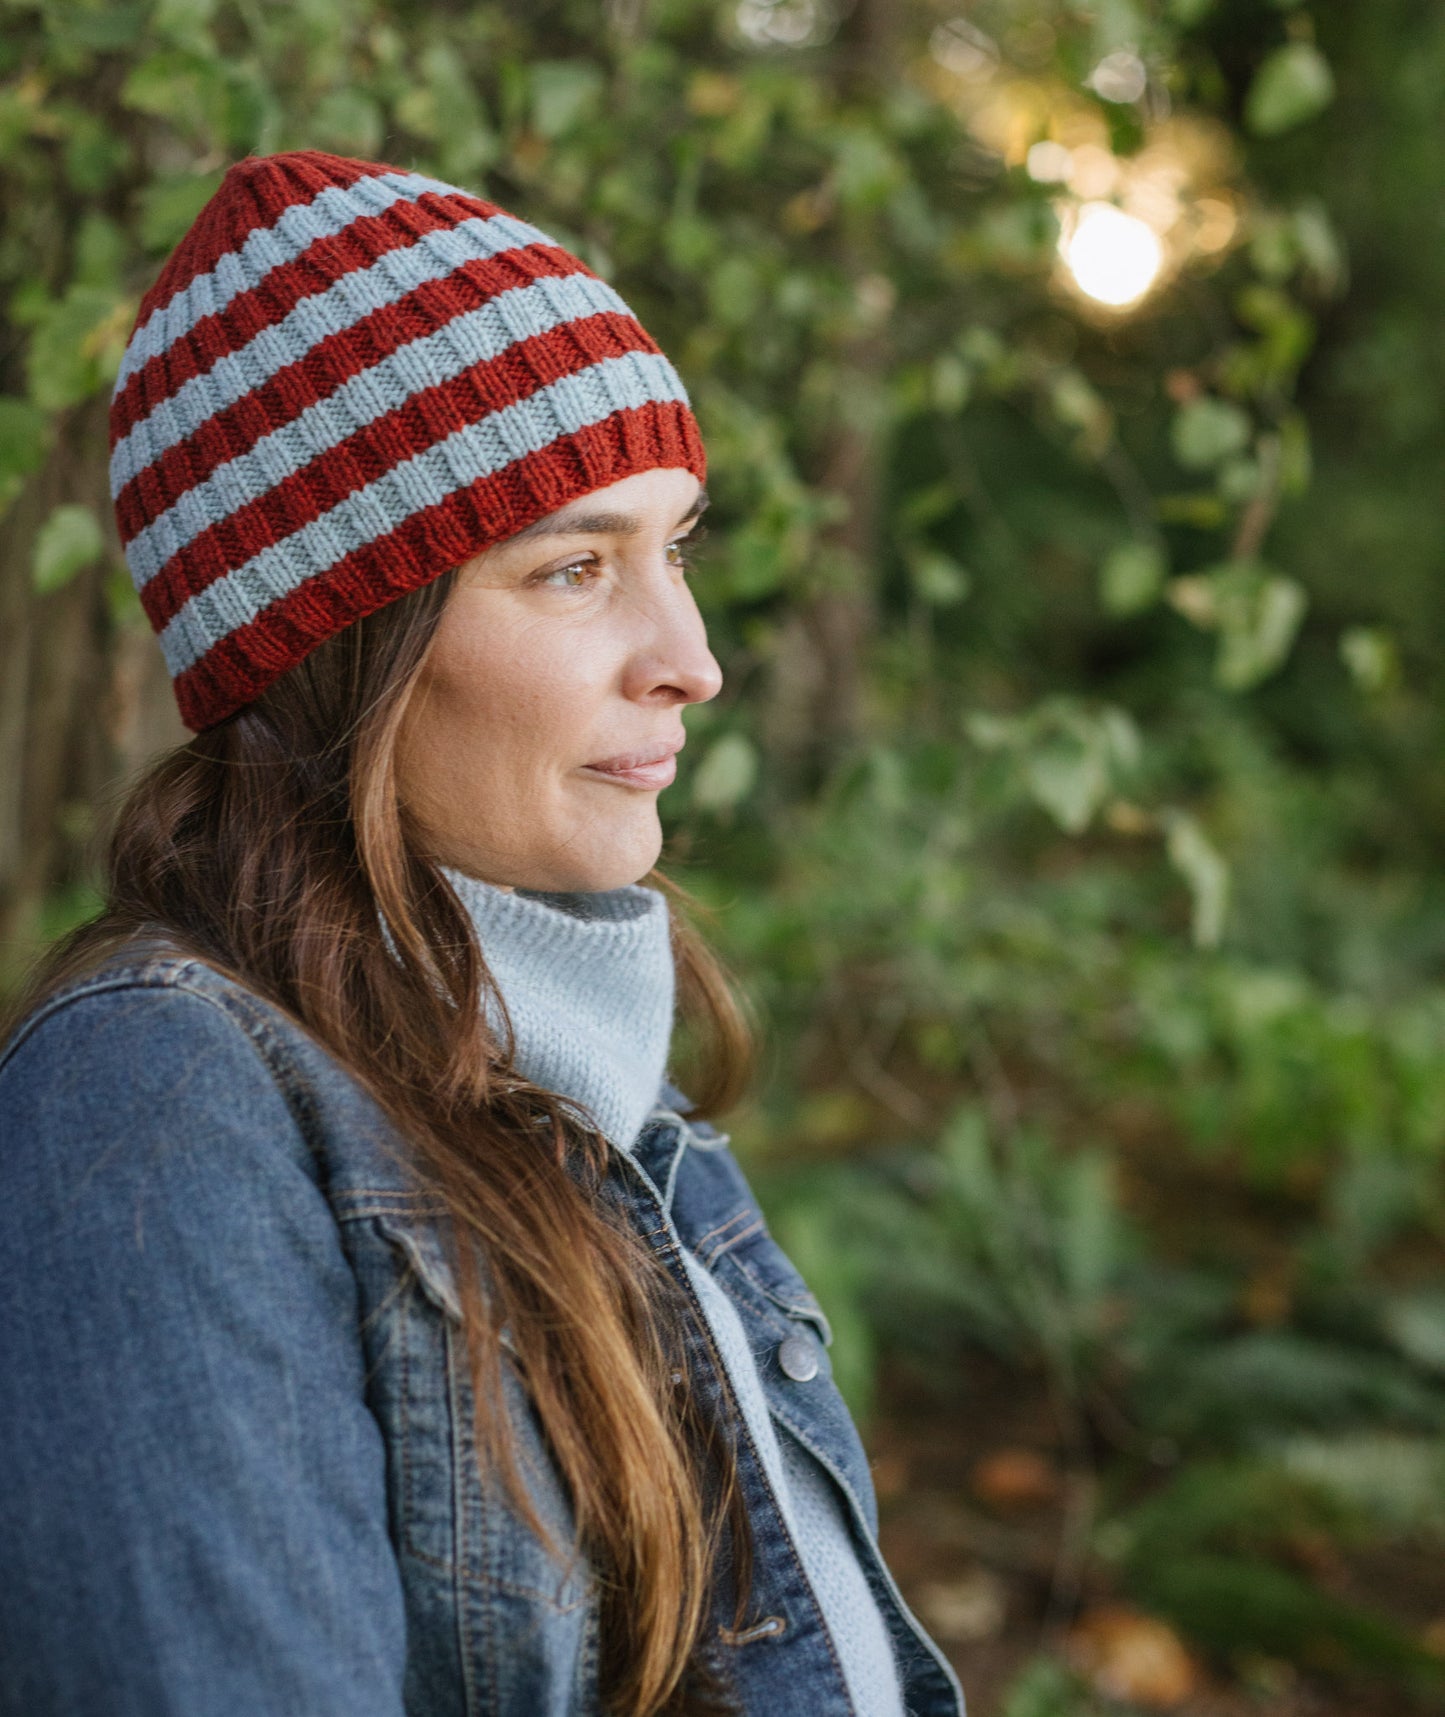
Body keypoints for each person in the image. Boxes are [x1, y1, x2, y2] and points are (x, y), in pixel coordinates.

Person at [0, 150, 964, 1717]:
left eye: (678, 547)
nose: (691, 658)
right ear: (339, 650)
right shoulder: (161, 1103)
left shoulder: (585, 1077)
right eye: (575, 567)